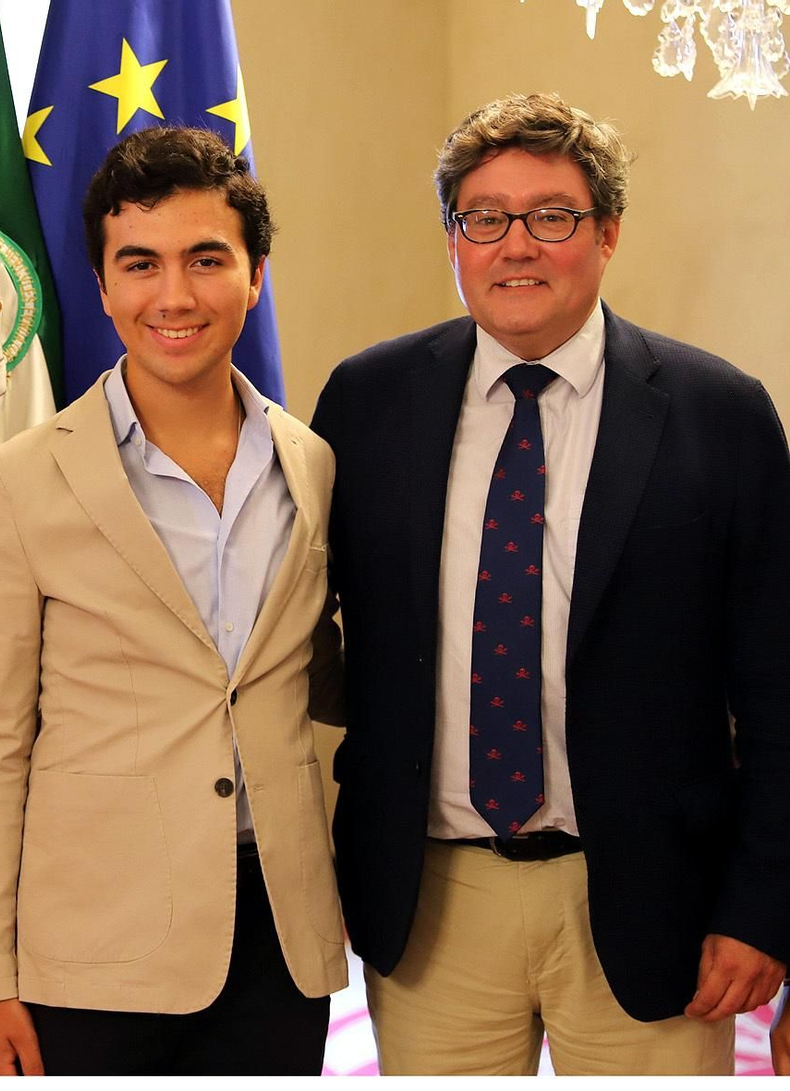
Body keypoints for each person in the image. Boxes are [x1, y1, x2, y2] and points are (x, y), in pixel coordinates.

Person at [311, 92, 790, 1075]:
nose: (514, 245)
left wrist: (762, 906)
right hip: (434, 900)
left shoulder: (719, 414)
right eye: (483, 218)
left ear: (606, 232)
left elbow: (780, 687)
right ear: (453, 239)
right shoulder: (366, 402)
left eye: (551, 216)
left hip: (653, 899)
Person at [0, 126, 345, 1076]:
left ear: (253, 276)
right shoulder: (17, 482)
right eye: (142, 264)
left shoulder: (312, 464)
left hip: (281, 938)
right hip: (91, 951)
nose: (175, 295)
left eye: (207, 259)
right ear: (103, 284)